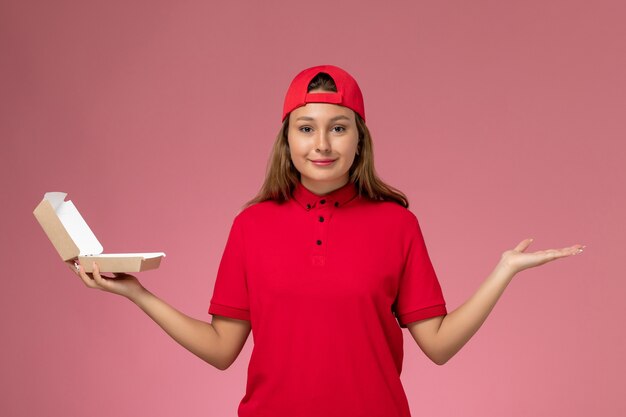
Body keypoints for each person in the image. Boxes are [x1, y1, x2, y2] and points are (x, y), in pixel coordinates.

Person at [68, 64, 585, 417]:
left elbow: (439, 345)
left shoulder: (397, 225)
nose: (321, 144)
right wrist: (138, 293)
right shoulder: (251, 226)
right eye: (305, 128)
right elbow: (223, 348)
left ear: (359, 139)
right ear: (286, 138)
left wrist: (503, 272)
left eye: (338, 127)